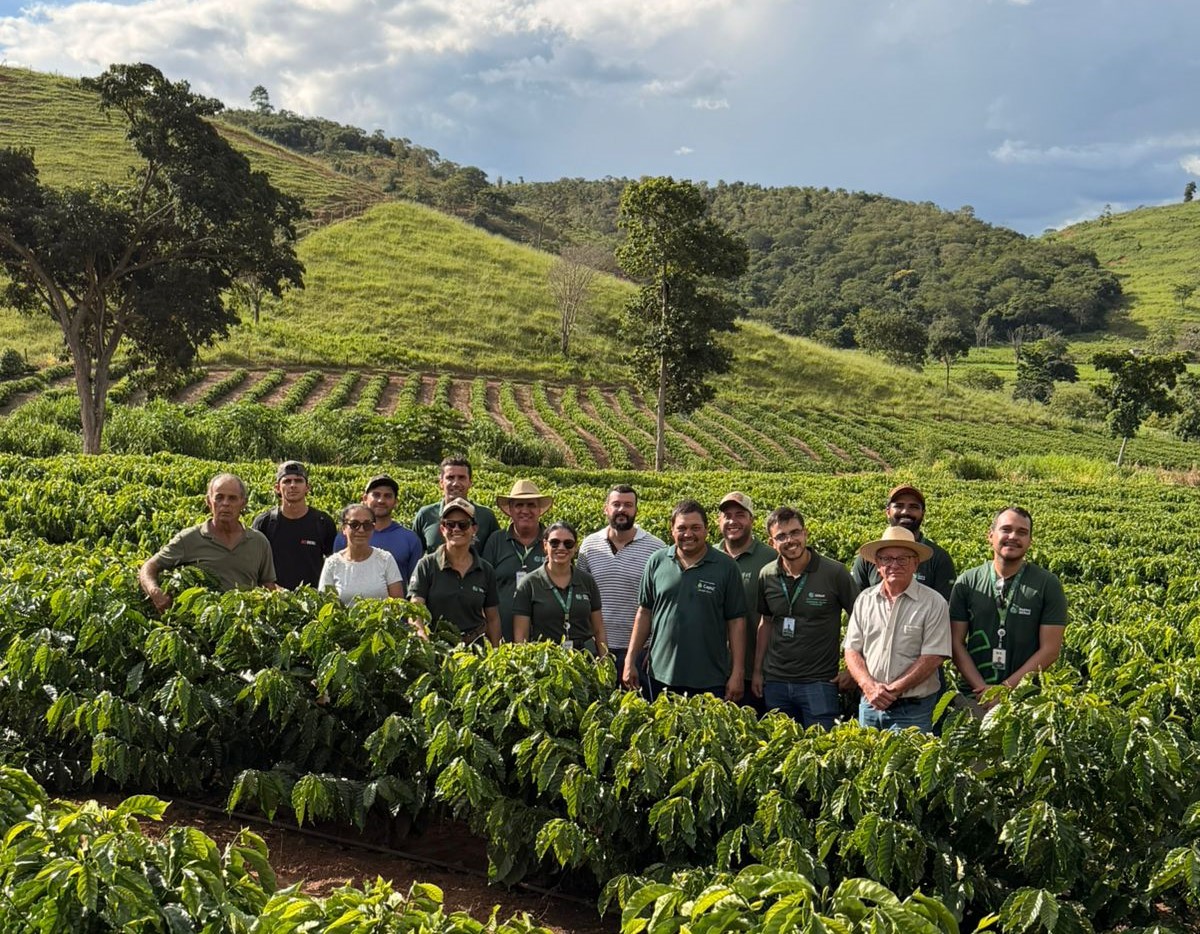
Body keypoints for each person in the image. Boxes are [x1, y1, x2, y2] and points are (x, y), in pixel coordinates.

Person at [624, 499, 747, 701]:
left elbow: (736, 622)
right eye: (682, 528)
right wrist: (630, 660)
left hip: (709, 677)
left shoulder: (726, 566)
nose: (688, 534)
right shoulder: (657, 561)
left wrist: (737, 672)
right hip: (661, 674)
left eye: (695, 528)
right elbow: (644, 613)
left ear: (706, 530)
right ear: (672, 530)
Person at [949, 506, 1068, 710]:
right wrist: (982, 690)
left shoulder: (1048, 585)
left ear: (1030, 541)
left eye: (1022, 532)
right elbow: (954, 642)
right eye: (1006, 529)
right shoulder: (967, 581)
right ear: (990, 535)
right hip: (973, 695)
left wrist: (1005, 689)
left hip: (1025, 699)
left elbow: (1050, 650)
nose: (1013, 537)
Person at [752, 507, 858, 728]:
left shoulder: (834, 573)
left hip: (819, 682)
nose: (790, 540)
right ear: (772, 543)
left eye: (795, 532)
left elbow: (861, 620)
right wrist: (757, 672)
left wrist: (852, 670)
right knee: (780, 745)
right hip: (776, 682)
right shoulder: (767, 575)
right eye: (781, 536)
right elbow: (766, 622)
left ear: (805, 533)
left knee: (820, 746)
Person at [843, 526, 951, 732]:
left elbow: (934, 656)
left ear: (915, 563)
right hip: (869, 704)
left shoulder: (934, 603)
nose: (894, 565)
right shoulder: (865, 599)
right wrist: (868, 686)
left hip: (913, 709)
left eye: (903, 559)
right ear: (877, 564)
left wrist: (892, 691)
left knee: (909, 754)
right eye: (887, 559)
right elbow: (851, 650)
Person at [139, 472, 277, 611]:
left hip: (243, 619)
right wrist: (155, 593)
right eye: (219, 497)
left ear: (243, 503)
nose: (225, 503)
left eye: (232, 498)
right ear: (208, 501)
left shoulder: (259, 542)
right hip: (199, 621)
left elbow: (267, 585)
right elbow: (149, 567)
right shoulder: (189, 538)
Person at [576, 485, 665, 693]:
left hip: (641, 651)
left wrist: (655, 646)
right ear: (605, 509)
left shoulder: (656, 548)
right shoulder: (589, 546)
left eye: (628, 505)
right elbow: (580, 595)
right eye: (616, 504)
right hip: (596, 649)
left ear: (636, 510)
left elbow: (661, 603)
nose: (622, 509)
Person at [408, 498, 501, 645]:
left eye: (463, 525)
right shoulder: (426, 565)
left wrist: (495, 650)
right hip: (437, 645)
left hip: (475, 647)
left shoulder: (485, 570)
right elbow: (415, 610)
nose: (456, 529)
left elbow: (493, 618)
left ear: (474, 529)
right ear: (442, 529)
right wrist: (424, 640)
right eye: (450, 524)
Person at [716, 492, 776, 711]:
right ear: (718, 521)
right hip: (713, 670)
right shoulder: (708, 556)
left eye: (740, 515)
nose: (733, 521)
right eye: (727, 516)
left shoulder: (770, 558)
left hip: (755, 672)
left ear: (752, 520)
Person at [513, 521, 607, 654]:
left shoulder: (587, 581)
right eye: (554, 543)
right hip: (545, 658)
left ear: (575, 547)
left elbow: (599, 630)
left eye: (568, 543)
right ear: (545, 545)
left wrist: (604, 661)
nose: (561, 548)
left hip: (585, 657)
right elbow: (521, 635)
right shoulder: (529, 583)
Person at [851, 485, 956, 601]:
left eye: (913, 507)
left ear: (923, 513)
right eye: (899, 506)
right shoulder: (866, 559)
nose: (905, 511)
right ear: (888, 512)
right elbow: (857, 602)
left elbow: (943, 604)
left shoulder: (939, 558)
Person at [481, 479, 552, 642]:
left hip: (544, 639)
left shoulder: (553, 542)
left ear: (539, 510)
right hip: (501, 634)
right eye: (519, 505)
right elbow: (483, 584)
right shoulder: (496, 541)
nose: (525, 510)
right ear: (511, 509)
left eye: (531, 505)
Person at [251, 460, 337, 590]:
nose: (293, 485)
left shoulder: (323, 522)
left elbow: (335, 563)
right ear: (277, 488)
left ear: (307, 487)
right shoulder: (265, 523)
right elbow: (253, 566)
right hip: (272, 599)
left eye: (298, 481)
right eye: (287, 481)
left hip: (314, 599)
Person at [331, 475, 423, 590]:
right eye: (376, 495)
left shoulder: (410, 539)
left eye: (387, 496)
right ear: (365, 499)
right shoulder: (346, 536)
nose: (381, 501)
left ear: (396, 502)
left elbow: (415, 587)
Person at [319, 504, 406, 607]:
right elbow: (325, 604)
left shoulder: (386, 559)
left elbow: (398, 604)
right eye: (354, 524)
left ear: (373, 528)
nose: (361, 530)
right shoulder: (332, 563)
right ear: (344, 528)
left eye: (367, 525)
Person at [412, 457, 500, 553]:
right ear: (441, 483)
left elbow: (496, 553)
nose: (455, 483)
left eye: (461, 478)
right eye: (450, 477)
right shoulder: (425, 515)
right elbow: (414, 553)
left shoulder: (486, 517)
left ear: (470, 483)